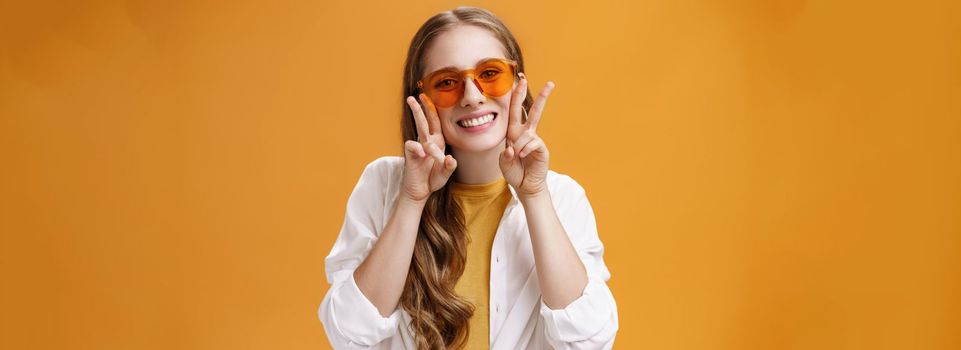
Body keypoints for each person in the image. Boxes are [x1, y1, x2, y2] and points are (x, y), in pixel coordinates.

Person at [318, 6, 618, 349]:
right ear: (421, 100)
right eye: (447, 83)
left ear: (518, 84)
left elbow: (590, 341)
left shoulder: (562, 197)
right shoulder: (383, 185)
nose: (473, 96)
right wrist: (412, 200)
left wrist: (534, 196)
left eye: (490, 74)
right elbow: (348, 334)